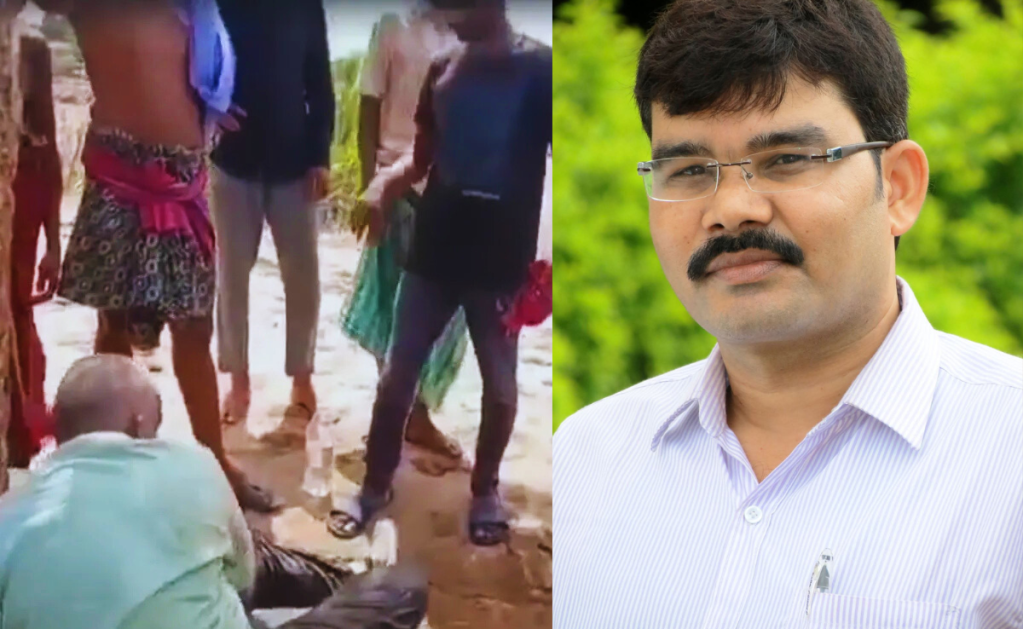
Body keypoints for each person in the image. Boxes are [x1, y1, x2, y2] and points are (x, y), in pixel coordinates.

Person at [552, 0, 1023, 626]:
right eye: (689, 170)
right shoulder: (582, 461)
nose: (731, 210)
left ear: (899, 187)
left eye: (786, 160)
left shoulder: (1007, 456)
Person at [332, 0, 552, 547]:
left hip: (501, 264)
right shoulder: (443, 68)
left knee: (500, 389)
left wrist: (549, 259)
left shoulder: (542, 70)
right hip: (434, 253)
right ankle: (374, 486)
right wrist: (380, 187)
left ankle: (485, 491)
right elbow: (420, 160)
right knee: (397, 375)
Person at [41, 0, 277, 512]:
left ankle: (217, 462)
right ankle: (110, 460)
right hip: (120, 177)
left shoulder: (193, 9)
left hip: (184, 182)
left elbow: (187, 77)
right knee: (113, 328)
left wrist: (207, 106)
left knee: (194, 329)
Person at [0, 355, 430, 629]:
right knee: (404, 586)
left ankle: (344, 577)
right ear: (138, 424)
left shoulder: (11, 516)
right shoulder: (188, 463)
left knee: (225, 546)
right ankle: (353, 577)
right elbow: (243, 581)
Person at [343, 3, 467, 461]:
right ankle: (397, 417)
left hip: (454, 195)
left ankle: (417, 413)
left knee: (448, 317)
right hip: (396, 187)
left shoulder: (471, 34)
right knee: (390, 311)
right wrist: (370, 188)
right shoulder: (393, 24)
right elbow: (368, 105)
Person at [210, 0, 334, 425]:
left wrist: (320, 158)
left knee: (303, 278)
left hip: (294, 163)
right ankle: (238, 381)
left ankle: (302, 379)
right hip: (231, 160)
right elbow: (195, 59)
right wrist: (210, 106)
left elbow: (320, 83)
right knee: (231, 276)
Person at [6, 31, 62, 468]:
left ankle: (19, 437)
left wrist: (54, 244)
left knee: (16, 315)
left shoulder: (30, 47)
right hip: (22, 189)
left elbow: (50, 155)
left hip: (23, 195)